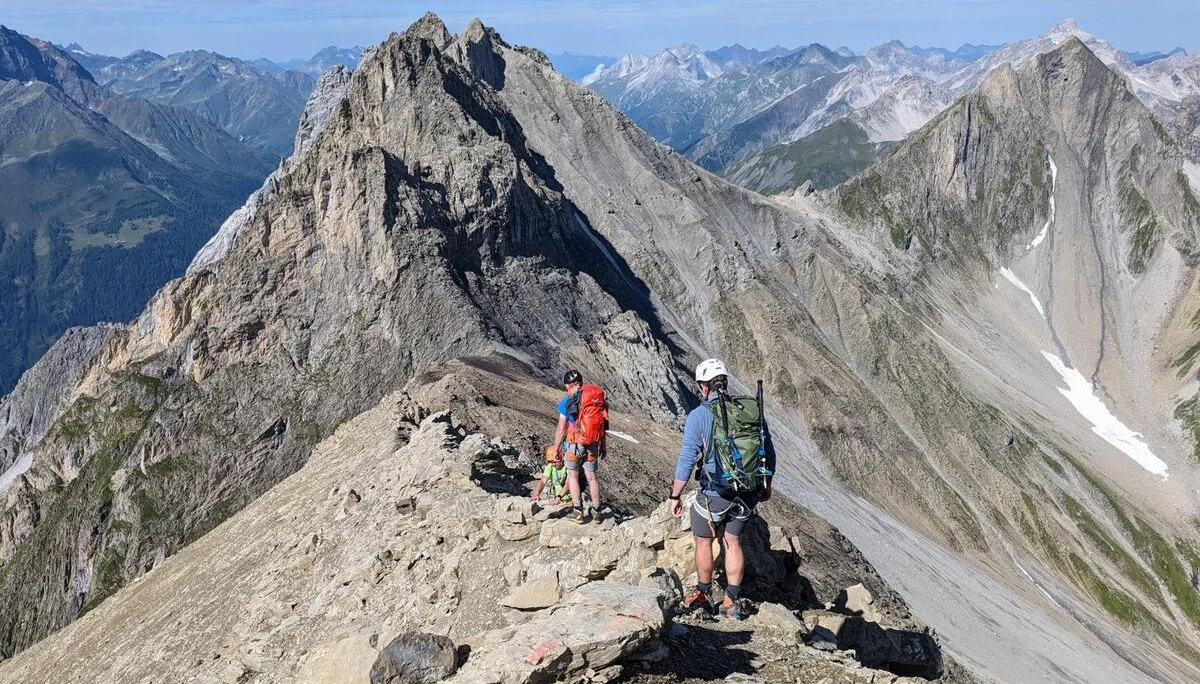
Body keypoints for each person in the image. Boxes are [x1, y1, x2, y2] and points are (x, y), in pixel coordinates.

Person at [668, 358, 775, 621]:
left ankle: (704, 594)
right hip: (747, 492)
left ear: (704, 387)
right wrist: (766, 485)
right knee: (733, 541)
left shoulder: (700, 415)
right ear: (724, 382)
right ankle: (732, 599)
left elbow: (687, 458)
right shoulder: (749, 409)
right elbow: (768, 452)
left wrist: (675, 495)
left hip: (716, 492)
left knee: (704, 541)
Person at [550, 369, 605, 524]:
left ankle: (578, 512)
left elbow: (561, 428)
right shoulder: (595, 399)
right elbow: (603, 424)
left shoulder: (566, 401)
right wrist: (603, 445)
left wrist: (557, 449)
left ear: (568, 385)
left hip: (574, 442)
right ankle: (596, 512)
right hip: (593, 443)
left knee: (573, 476)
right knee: (592, 477)